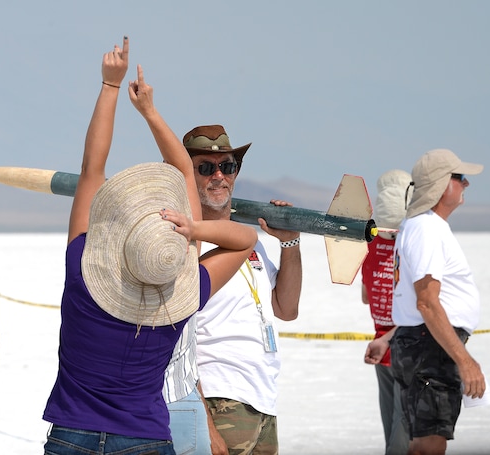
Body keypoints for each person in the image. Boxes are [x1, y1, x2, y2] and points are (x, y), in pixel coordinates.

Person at [41, 37, 257, 455]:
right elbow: (246, 239)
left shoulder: (81, 274)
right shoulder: (186, 290)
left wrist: (111, 86)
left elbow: (92, 169)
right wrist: (193, 230)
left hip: (71, 435)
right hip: (145, 439)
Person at [179, 124, 303, 455]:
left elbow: (286, 308)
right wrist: (205, 422)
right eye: (205, 168)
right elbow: (177, 342)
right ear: (186, 177)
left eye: (228, 166)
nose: (218, 176)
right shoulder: (187, 245)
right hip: (220, 399)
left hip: (262, 398)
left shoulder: (249, 241)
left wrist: (289, 242)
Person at [390, 149, 485, 455]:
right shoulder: (427, 228)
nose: (466, 184)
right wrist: (465, 361)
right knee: (428, 445)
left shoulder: (424, 227)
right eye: (459, 178)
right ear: (444, 185)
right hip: (430, 347)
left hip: (425, 344)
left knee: (424, 441)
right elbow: (427, 303)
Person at [362, 169, 412, 455]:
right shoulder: (412, 245)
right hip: (406, 348)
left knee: (392, 435)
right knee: (403, 440)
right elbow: (422, 306)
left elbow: (366, 296)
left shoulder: (369, 244)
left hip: (381, 347)